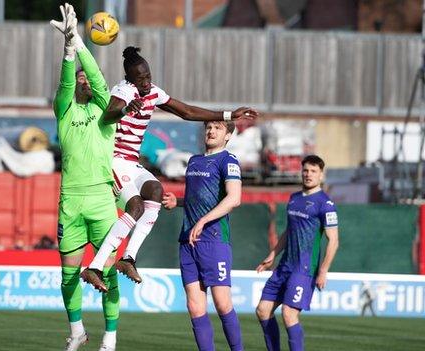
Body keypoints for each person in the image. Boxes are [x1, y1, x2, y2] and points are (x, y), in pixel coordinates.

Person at [81, 46, 259, 292]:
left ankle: (128, 259)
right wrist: (124, 109)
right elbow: (108, 114)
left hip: (131, 163)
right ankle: (95, 267)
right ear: (130, 78)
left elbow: (186, 111)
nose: (145, 82)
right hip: (112, 161)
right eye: (140, 78)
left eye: (148, 76)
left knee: (155, 190)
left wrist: (229, 114)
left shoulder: (153, 92)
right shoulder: (124, 90)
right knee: (136, 206)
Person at [50, 4, 119, 351]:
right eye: (80, 78)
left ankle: (110, 336)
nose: (84, 81)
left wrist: (80, 44)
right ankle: (77, 330)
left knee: (107, 272)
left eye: (86, 79)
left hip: (102, 200)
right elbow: (64, 83)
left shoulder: (105, 110)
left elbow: (100, 80)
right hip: (70, 201)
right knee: (68, 274)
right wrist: (66, 50)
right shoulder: (64, 111)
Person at [162, 120, 245, 351]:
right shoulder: (194, 160)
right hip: (188, 241)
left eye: (218, 128)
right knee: (195, 307)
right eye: (209, 126)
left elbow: (234, 198)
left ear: (228, 135)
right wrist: (177, 202)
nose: (211, 130)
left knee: (222, 303)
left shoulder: (228, 160)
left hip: (214, 240)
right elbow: (197, 199)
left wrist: (204, 220)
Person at [255, 155, 340, 351]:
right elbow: (288, 231)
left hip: (304, 269)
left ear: (321, 175)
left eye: (313, 171)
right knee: (262, 310)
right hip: (284, 266)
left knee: (289, 313)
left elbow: (333, 240)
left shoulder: (325, 204)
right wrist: (273, 254)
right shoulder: (294, 199)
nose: (308, 174)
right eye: (306, 170)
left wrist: (323, 271)